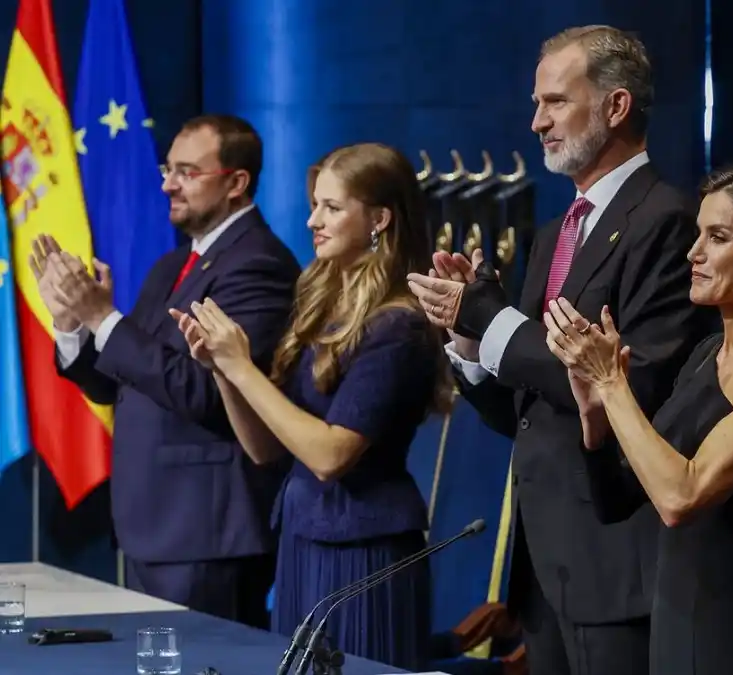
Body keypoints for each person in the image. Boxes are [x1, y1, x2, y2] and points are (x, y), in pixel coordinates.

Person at [406, 25, 715, 675]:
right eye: (536, 103)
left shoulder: (667, 221)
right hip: (544, 569)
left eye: (554, 102)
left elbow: (633, 385)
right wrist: (468, 340)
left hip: (616, 563)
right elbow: (530, 407)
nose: (535, 121)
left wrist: (490, 319)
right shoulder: (554, 233)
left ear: (616, 106)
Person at [542, 162, 733, 675]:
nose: (693, 253)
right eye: (697, 235)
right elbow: (619, 498)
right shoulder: (707, 353)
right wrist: (595, 413)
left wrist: (615, 386)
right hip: (673, 635)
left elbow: (682, 496)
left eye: (718, 237)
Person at [172, 142, 450, 669]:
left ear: (379, 219)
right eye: (315, 205)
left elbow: (330, 455)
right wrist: (222, 371)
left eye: (331, 207)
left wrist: (244, 368)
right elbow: (264, 449)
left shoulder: (399, 325)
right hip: (303, 540)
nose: (311, 221)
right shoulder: (322, 307)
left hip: (364, 552)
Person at [31, 114, 299, 628]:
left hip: (205, 532)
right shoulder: (170, 266)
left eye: (187, 171)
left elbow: (206, 392)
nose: (167, 184)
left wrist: (102, 316)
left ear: (236, 182)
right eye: (166, 169)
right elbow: (117, 385)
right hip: (156, 526)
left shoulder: (257, 265)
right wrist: (73, 326)